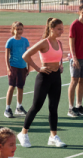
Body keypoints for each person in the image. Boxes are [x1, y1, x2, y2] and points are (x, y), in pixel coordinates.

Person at [18, 18, 67, 149]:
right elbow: (26, 56)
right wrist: (38, 68)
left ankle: (53, 136)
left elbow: (59, 56)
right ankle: (23, 134)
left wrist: (60, 65)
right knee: (36, 106)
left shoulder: (59, 43)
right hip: (44, 77)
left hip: (56, 77)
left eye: (62, 29)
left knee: (53, 107)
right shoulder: (44, 43)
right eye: (59, 29)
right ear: (51, 29)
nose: (61, 31)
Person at [67, 4, 83, 118]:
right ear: (79, 13)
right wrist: (74, 57)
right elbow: (71, 43)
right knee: (74, 81)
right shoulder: (74, 25)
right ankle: (71, 108)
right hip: (76, 58)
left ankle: (79, 105)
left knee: (82, 81)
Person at [4, 22, 30, 119]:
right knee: (11, 87)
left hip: (22, 67)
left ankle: (19, 107)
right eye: (17, 29)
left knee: (20, 87)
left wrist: (28, 67)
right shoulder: (10, 41)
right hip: (13, 67)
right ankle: (7, 108)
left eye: (21, 29)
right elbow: (6, 56)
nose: (19, 31)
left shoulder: (25, 41)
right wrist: (8, 67)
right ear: (13, 30)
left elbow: (27, 54)